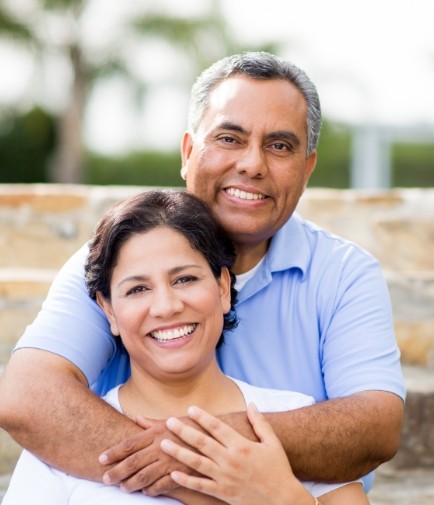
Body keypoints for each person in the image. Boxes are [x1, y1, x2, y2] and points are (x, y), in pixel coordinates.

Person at [0, 51, 405, 500]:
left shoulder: (344, 275)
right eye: (229, 138)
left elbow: (375, 426)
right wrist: (204, 478)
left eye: (280, 145)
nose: (252, 164)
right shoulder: (115, 259)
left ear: (307, 168)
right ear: (189, 152)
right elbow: (27, 396)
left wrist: (201, 456)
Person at [3, 189, 369, 504]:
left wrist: (281, 497)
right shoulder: (61, 443)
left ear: (223, 288)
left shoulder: (292, 417)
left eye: (184, 279)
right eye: (138, 289)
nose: (166, 306)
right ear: (109, 311)